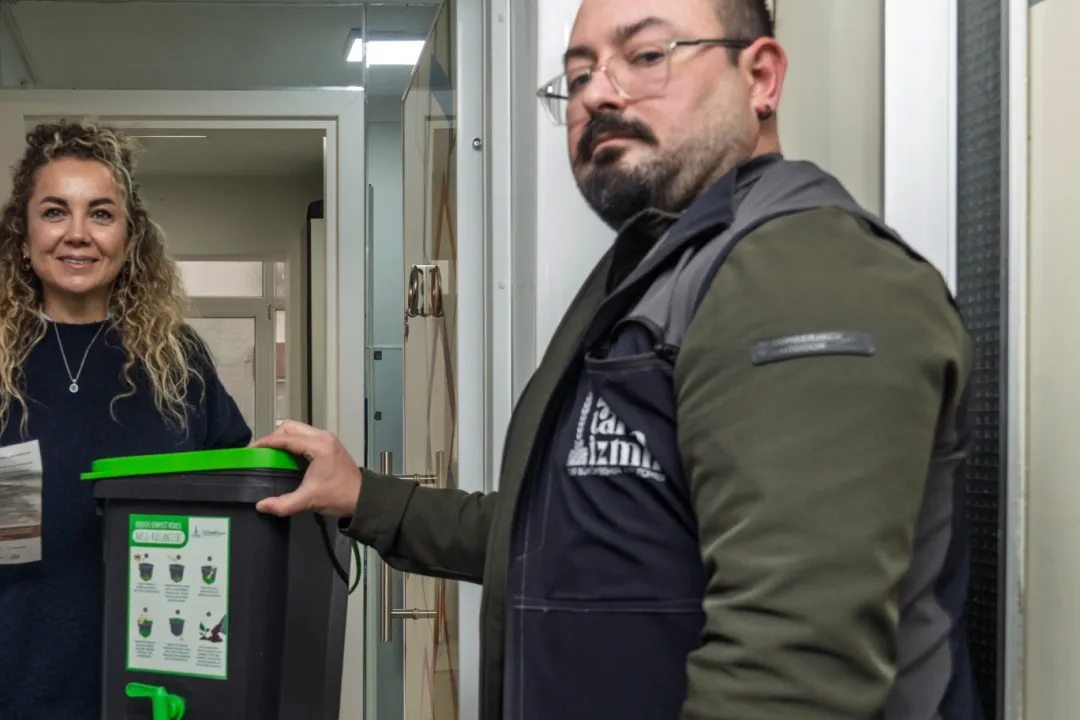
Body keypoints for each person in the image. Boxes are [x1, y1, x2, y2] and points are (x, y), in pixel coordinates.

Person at [252, 0, 982, 718]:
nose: (597, 94)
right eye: (577, 77)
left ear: (759, 77)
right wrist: (364, 496)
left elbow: (789, 673)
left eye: (646, 55)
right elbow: (558, 537)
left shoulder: (802, 276)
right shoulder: (656, 277)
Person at [0, 121, 251, 718]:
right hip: (11, 693)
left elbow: (241, 521)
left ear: (129, 239)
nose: (77, 233)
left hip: (158, 695)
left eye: (100, 213)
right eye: (54, 212)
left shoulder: (180, 362)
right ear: (23, 239)